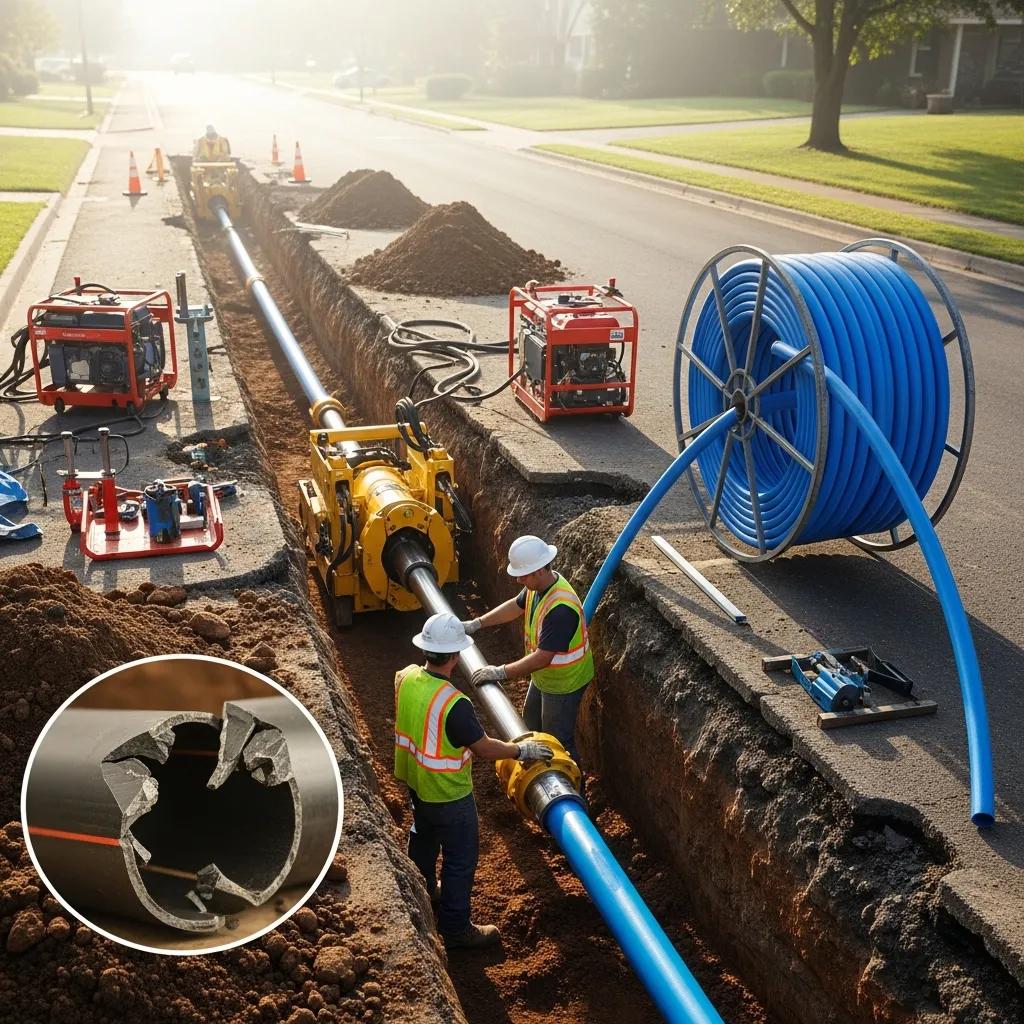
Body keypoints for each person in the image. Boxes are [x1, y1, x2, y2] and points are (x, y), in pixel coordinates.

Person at [394, 612, 552, 950]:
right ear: (455, 655)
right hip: (449, 794)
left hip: (417, 783)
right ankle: (454, 928)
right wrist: (520, 750)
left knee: (423, 837)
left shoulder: (406, 677)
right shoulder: (454, 703)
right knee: (460, 859)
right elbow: (483, 748)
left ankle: (423, 891)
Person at [464, 535, 593, 764]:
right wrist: (477, 623)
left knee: (557, 741)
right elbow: (515, 606)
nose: (518, 579)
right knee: (531, 723)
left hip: (564, 683)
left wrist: (500, 672)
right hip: (545, 676)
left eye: (523, 574)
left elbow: (542, 658)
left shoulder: (561, 609)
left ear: (540, 570)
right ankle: (537, 770)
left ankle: (571, 783)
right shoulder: (538, 586)